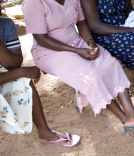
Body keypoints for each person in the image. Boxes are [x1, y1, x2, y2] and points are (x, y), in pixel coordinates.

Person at [22, 0, 134, 137]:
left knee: (110, 63)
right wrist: (78, 51)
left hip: (77, 43)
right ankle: (125, 120)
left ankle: (132, 113)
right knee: (92, 75)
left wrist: (90, 43)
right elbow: (41, 39)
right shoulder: (33, 1)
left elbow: (82, 23)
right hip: (50, 51)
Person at [0, 15, 81, 146]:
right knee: (20, 74)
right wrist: (21, 71)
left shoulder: (5, 25)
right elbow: (17, 69)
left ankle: (44, 133)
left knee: (22, 80)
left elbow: (13, 64)